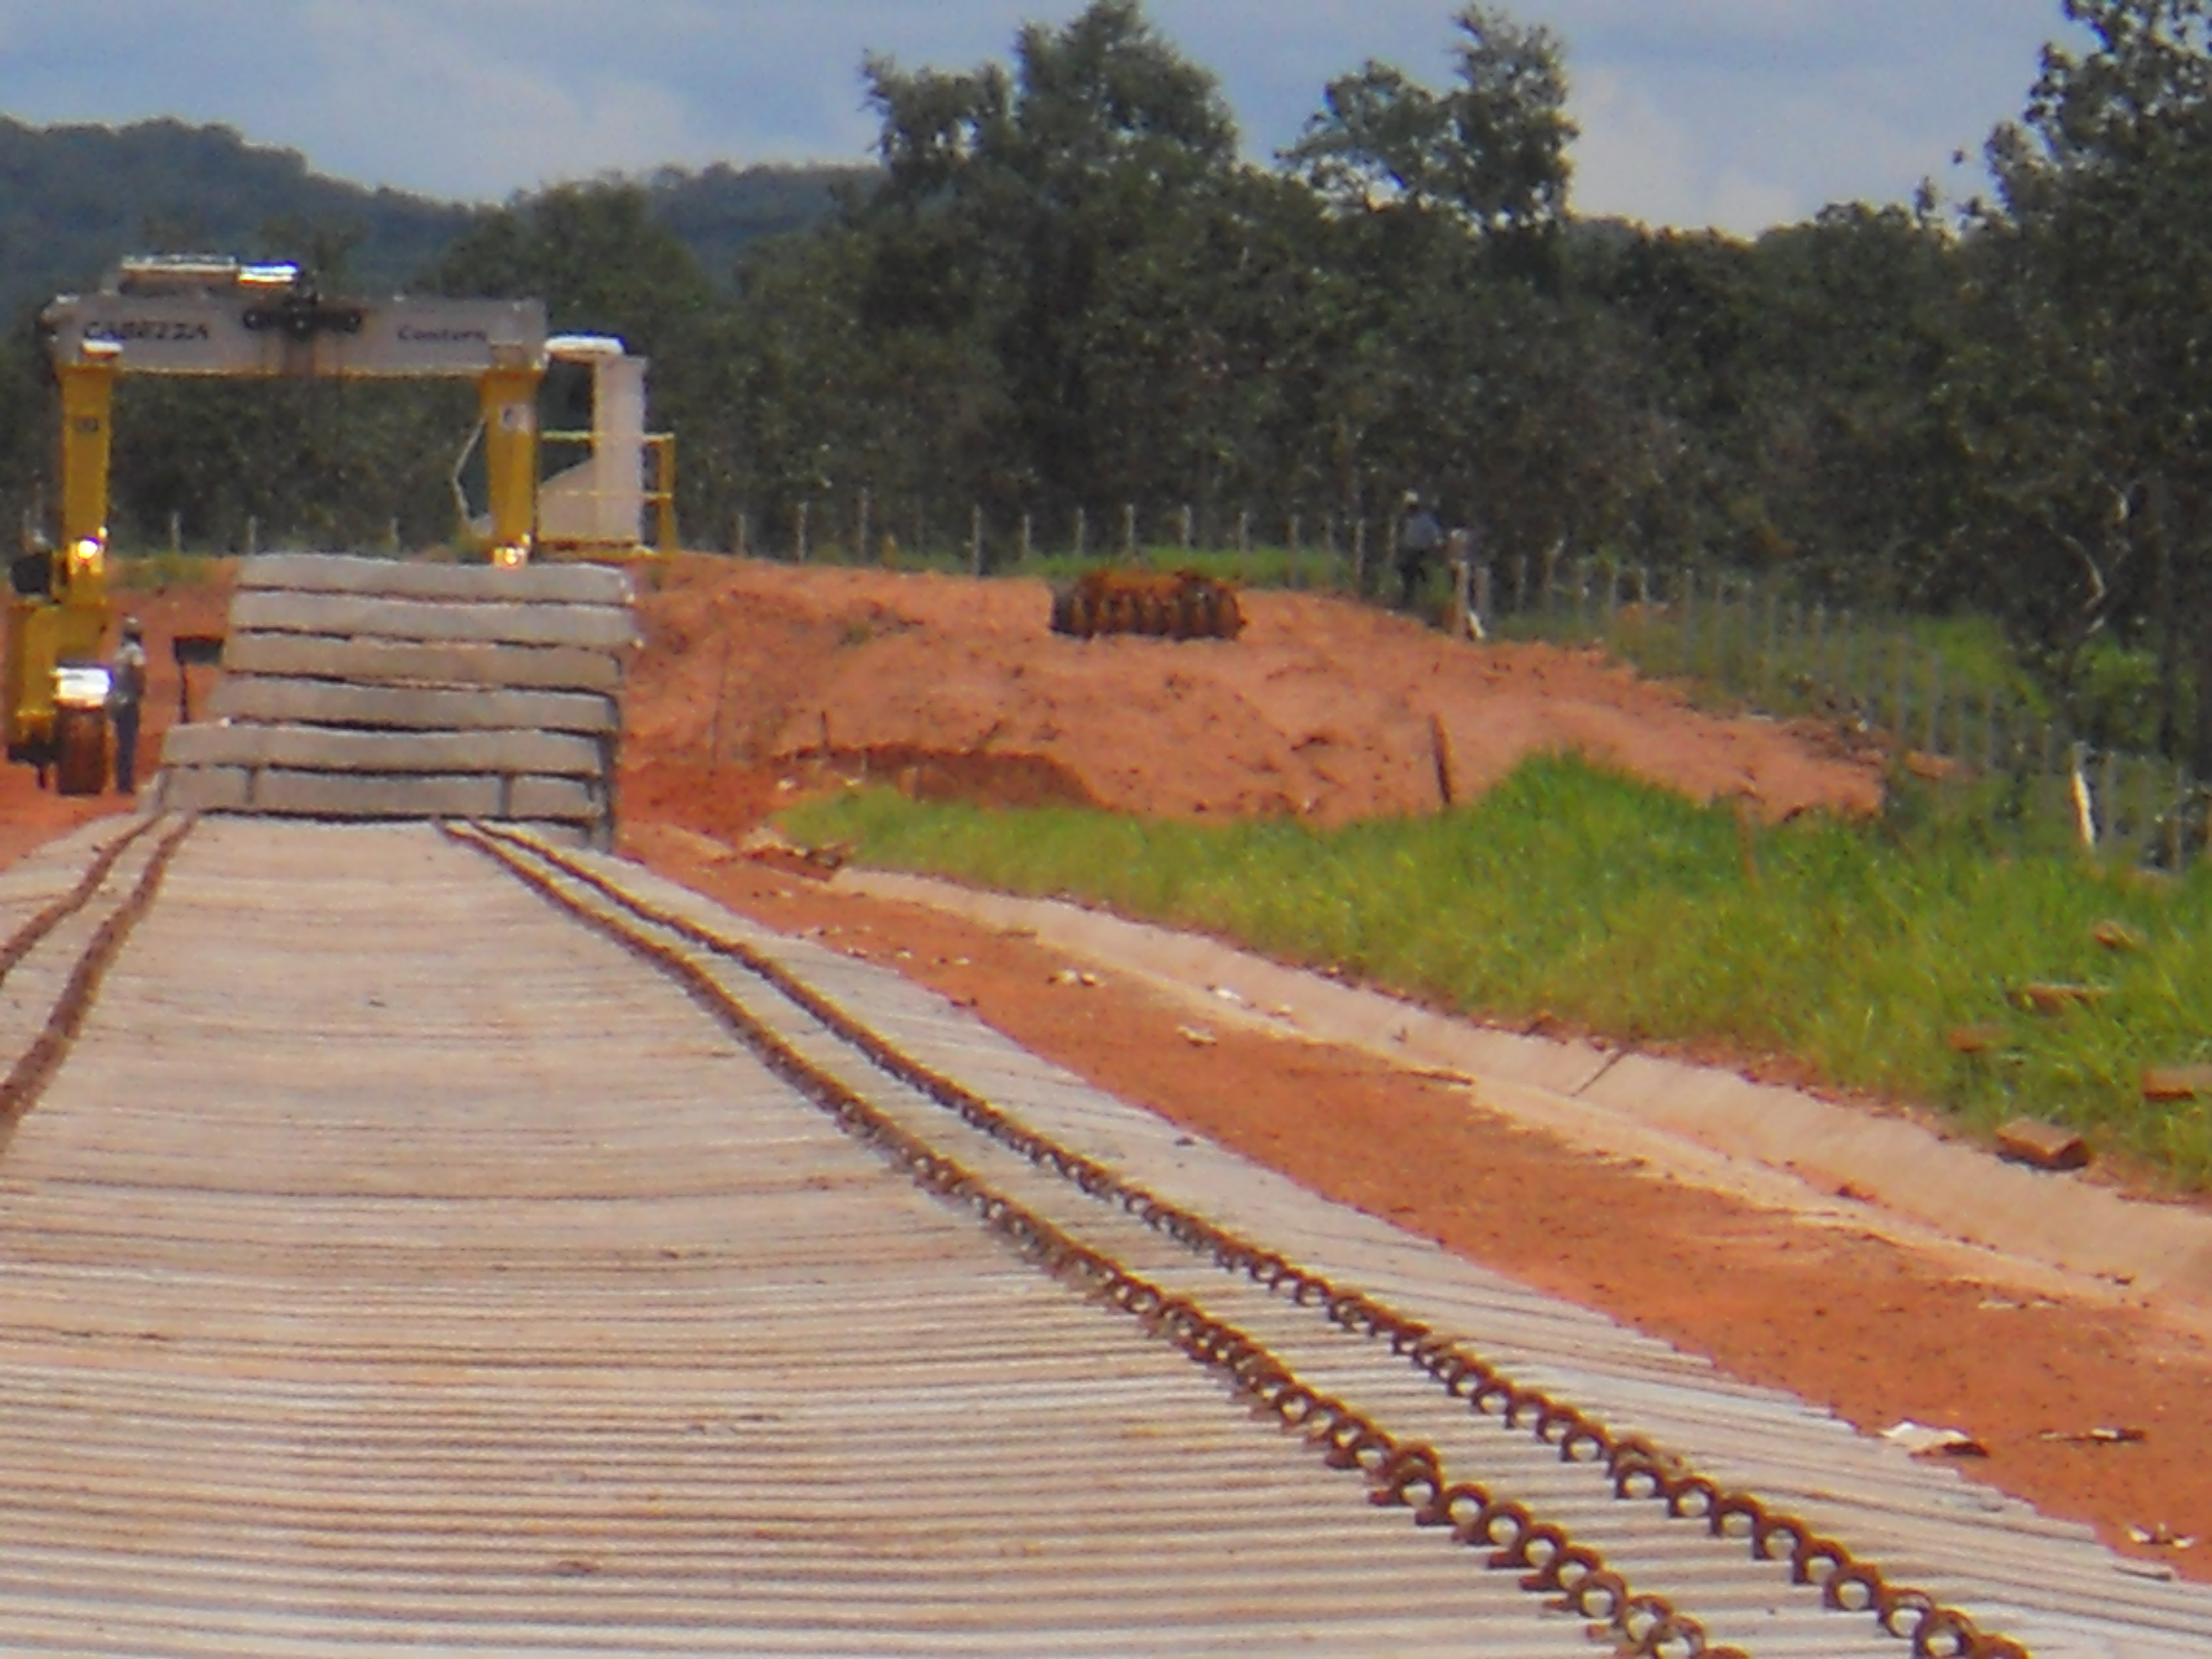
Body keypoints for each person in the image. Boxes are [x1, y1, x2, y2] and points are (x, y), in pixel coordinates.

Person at [108, 617, 147, 795]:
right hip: (129, 701)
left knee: (122, 743)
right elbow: (138, 671)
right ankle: (126, 784)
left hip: (116, 701)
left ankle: (121, 781)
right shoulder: (134, 651)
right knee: (128, 743)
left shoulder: (119, 652)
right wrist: (141, 689)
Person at [1395, 491, 1443, 610]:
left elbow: (1436, 535)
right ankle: (1408, 601)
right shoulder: (1408, 519)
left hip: (1419, 552)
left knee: (1413, 574)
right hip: (1408, 550)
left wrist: (1436, 546)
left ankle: (1421, 598)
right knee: (1406, 575)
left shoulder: (1425, 519)